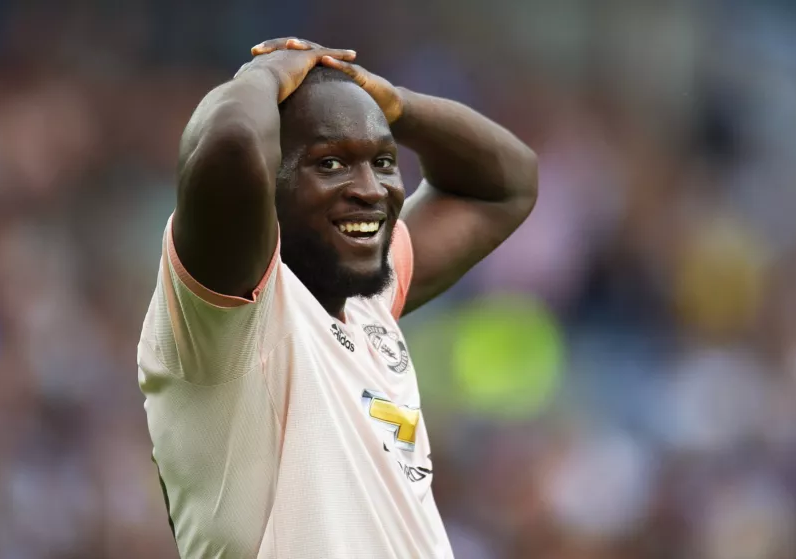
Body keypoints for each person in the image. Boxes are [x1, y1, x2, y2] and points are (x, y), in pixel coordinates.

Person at [137, 37, 537, 558]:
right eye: (330, 164)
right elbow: (230, 143)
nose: (370, 189)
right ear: (267, 185)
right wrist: (267, 73)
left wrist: (395, 104)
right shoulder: (230, 319)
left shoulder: (367, 303)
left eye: (384, 161)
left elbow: (506, 185)